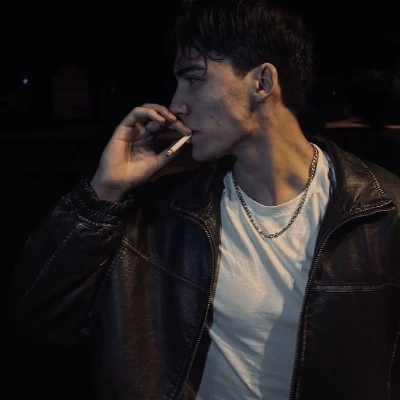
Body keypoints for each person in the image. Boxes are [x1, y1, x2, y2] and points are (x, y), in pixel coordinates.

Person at [10, 0, 400, 399]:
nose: (176, 104)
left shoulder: (382, 211)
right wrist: (104, 191)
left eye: (194, 78)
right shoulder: (161, 215)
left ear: (263, 82)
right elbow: (39, 318)